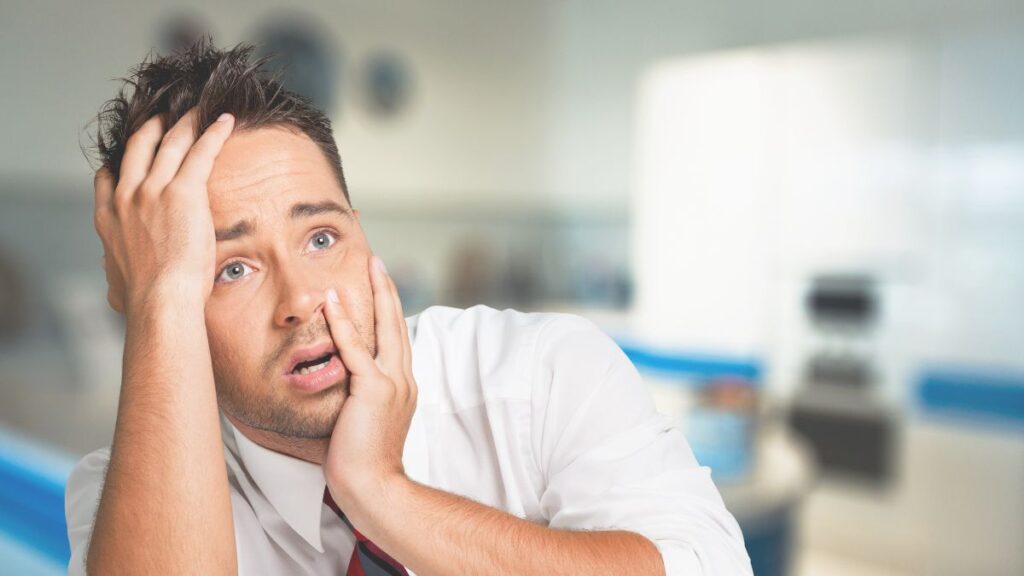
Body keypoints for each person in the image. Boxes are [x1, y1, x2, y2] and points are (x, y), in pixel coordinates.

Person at [65, 38, 753, 575]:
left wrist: (383, 494)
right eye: (231, 269)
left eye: (322, 236)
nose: (301, 298)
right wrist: (159, 298)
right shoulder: (129, 491)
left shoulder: (541, 375)